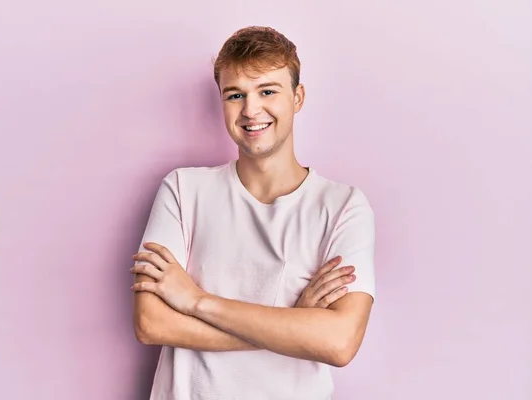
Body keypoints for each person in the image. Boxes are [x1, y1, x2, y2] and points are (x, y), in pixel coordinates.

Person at [130, 26, 376, 400]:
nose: (250, 110)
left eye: (267, 91)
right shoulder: (182, 190)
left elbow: (339, 342)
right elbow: (151, 322)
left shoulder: (343, 206)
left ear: (298, 97)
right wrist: (293, 322)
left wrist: (197, 302)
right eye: (235, 95)